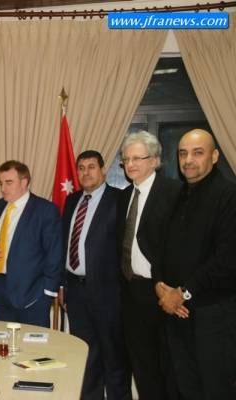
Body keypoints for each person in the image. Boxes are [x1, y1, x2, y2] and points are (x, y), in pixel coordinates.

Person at [157, 129, 236, 400]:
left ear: (214, 156)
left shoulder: (229, 196)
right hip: (176, 312)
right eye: (183, 153)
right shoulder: (179, 195)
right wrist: (161, 286)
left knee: (215, 389)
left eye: (197, 152)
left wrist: (183, 292)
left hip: (213, 315)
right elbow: (162, 247)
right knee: (184, 387)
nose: (188, 160)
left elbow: (227, 259)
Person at [59, 151, 131, 400]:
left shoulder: (119, 200)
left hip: (108, 293)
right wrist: (63, 286)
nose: (86, 172)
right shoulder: (72, 201)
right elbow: (65, 244)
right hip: (76, 291)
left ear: (103, 170)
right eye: (81, 168)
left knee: (114, 357)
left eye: (91, 167)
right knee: (86, 356)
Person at [117, 131, 180, 400]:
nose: (130, 164)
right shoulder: (124, 196)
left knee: (169, 367)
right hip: (131, 293)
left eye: (137, 158)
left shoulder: (174, 193)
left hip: (162, 291)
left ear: (154, 160)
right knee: (142, 367)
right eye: (126, 159)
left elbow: (181, 247)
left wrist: (171, 287)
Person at [0, 160, 62, 326]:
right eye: (1, 183)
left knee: (32, 342)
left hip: (32, 293)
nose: (3, 188)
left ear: (24, 182)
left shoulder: (45, 210)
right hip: (0, 290)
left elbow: (55, 253)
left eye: (9, 182)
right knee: (2, 339)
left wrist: (46, 292)